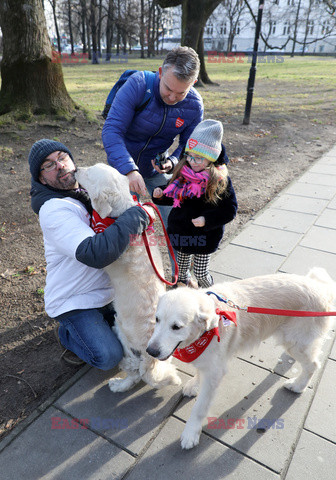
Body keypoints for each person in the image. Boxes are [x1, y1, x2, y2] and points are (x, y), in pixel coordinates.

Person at [28, 139, 153, 368]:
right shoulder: (54, 210)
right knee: (109, 357)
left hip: (108, 290)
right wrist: (136, 216)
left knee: (143, 337)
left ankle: (99, 322)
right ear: (40, 178)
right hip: (75, 298)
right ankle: (67, 334)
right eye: (48, 165)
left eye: (62, 157)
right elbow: (94, 253)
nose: (59, 166)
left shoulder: (88, 186)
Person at [102, 46, 203, 227]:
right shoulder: (138, 85)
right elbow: (112, 130)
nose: (172, 97)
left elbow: (190, 146)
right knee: (126, 226)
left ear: (194, 82)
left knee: (178, 222)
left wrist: (172, 162)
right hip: (122, 167)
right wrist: (129, 170)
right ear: (160, 73)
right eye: (168, 88)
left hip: (155, 168)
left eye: (181, 93)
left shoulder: (194, 106)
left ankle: (179, 255)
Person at [152, 119, 238, 288]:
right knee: (181, 272)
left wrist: (207, 220)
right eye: (190, 156)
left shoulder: (220, 180)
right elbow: (171, 194)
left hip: (205, 237)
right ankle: (182, 299)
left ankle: (213, 294)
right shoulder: (183, 174)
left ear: (211, 159)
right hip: (182, 232)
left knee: (200, 273)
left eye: (199, 158)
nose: (192, 162)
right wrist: (161, 194)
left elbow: (230, 209)